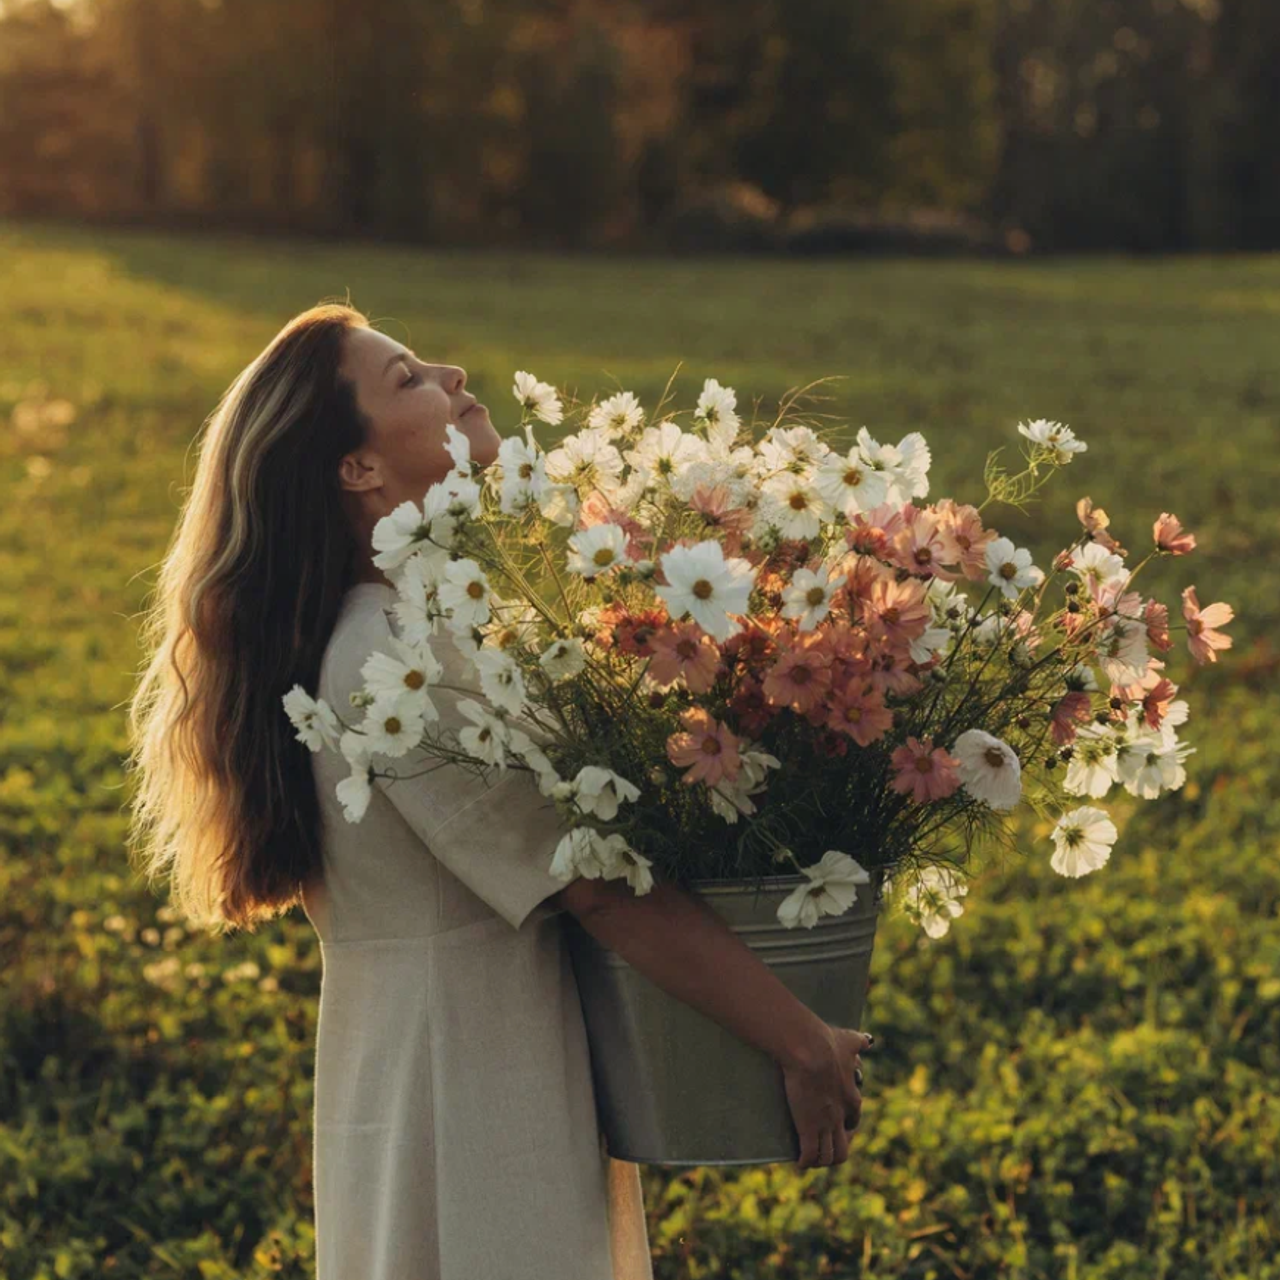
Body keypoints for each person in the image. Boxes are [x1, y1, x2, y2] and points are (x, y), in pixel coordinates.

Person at [125, 301, 871, 1280]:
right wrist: (798, 1038)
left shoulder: (407, 620)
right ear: (358, 468)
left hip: (439, 1059)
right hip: (469, 1087)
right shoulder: (390, 651)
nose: (454, 372)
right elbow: (592, 880)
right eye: (407, 378)